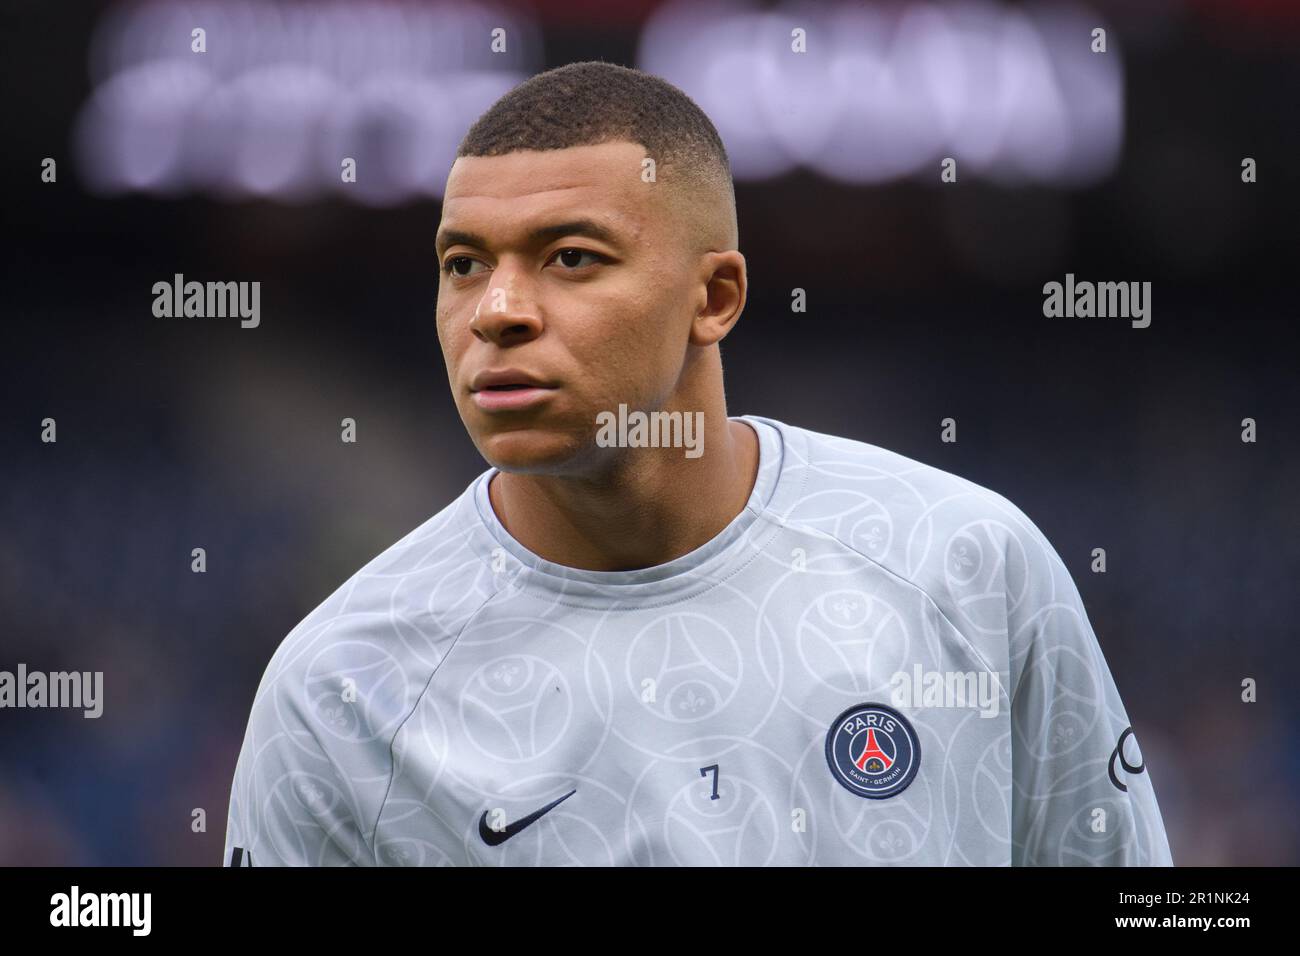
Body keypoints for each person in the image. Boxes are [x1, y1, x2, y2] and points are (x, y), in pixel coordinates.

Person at [223, 61, 1172, 866]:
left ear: (713, 296)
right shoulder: (340, 688)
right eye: (464, 263)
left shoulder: (966, 564)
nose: (497, 310)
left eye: (571, 257)